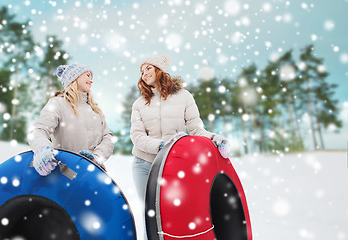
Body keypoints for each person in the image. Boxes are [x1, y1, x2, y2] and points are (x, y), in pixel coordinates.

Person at [130, 56, 230, 238]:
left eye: (147, 68)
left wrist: (214, 138)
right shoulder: (139, 103)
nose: (144, 74)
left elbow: (196, 129)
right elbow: (137, 137)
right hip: (144, 165)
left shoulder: (184, 96)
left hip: (172, 165)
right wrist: (161, 146)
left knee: (174, 213)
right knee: (150, 215)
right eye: (141, 71)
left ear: (159, 69)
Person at [28, 64, 114, 176]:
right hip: (66, 174)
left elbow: (108, 137)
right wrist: (43, 148)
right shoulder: (58, 104)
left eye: (91, 78)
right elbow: (39, 130)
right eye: (88, 75)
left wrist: (97, 157)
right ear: (74, 77)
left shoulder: (95, 110)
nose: (91, 81)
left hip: (94, 174)